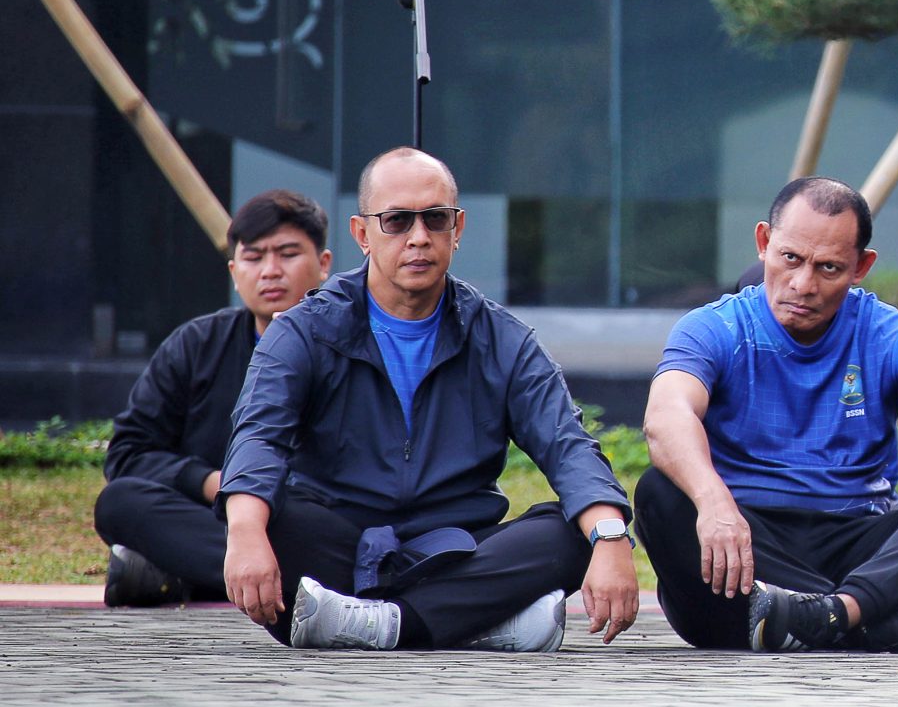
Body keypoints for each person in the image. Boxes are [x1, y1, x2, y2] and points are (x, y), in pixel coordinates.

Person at [219, 147, 638, 652]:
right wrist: (244, 533)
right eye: (397, 221)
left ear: (457, 228)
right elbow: (258, 438)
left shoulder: (502, 338)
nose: (418, 237)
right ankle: (472, 621)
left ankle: (381, 623)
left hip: (455, 546)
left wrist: (611, 538)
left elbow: (566, 445)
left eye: (435, 219)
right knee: (267, 517)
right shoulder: (304, 330)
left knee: (569, 535)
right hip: (339, 543)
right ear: (362, 234)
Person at [632, 176, 898, 653]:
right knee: (660, 492)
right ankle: (871, 619)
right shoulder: (713, 328)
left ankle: (832, 614)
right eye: (790, 258)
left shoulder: (891, 333)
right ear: (763, 242)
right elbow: (666, 416)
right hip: (743, 543)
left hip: (857, 540)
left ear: (861, 267)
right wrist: (713, 502)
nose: (803, 285)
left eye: (829, 268)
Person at [95, 189, 333, 607]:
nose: (271, 271)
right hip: (223, 524)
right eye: (254, 257)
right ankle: (279, 578)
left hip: (317, 520)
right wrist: (213, 483)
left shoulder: (352, 343)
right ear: (234, 271)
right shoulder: (196, 345)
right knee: (120, 502)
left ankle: (185, 573)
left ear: (324, 263)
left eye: (288, 254)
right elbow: (128, 454)